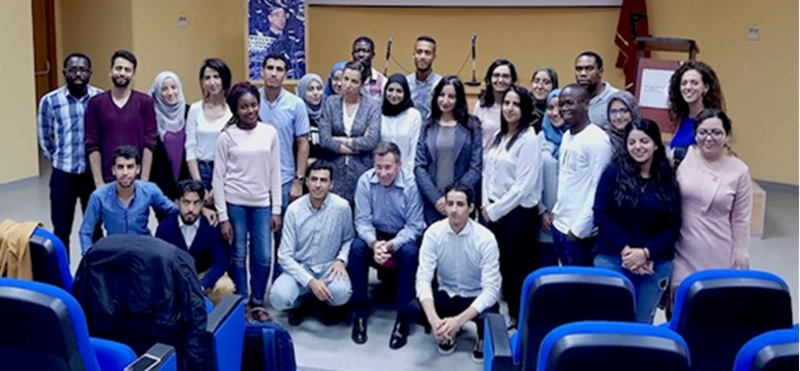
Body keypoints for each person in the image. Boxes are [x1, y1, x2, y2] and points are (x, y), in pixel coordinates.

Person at [593, 119, 681, 324]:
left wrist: (645, 253)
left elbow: (673, 227)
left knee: (641, 326)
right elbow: (601, 215)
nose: (638, 147)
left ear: (656, 144)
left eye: (644, 141)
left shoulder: (668, 180)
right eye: (632, 142)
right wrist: (627, 252)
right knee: (610, 322)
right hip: (613, 258)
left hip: (654, 263)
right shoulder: (612, 173)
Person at [404, 184, 501, 362]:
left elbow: (491, 290)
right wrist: (434, 321)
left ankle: (478, 336)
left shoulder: (486, 238)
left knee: (490, 319)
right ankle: (444, 330)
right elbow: (423, 279)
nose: (454, 210)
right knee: (414, 309)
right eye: (450, 204)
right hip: (447, 294)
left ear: (471, 208)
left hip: (475, 295)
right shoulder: (433, 233)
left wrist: (458, 321)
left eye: (460, 204)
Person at [213, 82, 282, 321]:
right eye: (244, 107)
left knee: (263, 255)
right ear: (235, 109)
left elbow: (275, 172)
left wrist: (276, 209)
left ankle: (258, 301)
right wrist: (223, 217)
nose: (250, 110)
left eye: (254, 105)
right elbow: (218, 178)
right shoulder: (226, 137)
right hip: (235, 203)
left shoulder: (269, 133)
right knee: (238, 253)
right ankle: (242, 301)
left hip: (262, 203)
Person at [349, 142, 426, 348]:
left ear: (399, 165)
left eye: (388, 167)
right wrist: (375, 244)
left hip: (401, 236)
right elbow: (362, 221)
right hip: (375, 234)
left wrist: (390, 245)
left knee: (410, 254)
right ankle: (360, 312)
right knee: (356, 248)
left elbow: (415, 226)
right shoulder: (365, 181)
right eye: (379, 167)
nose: (382, 173)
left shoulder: (410, 184)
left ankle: (403, 317)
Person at [481, 86, 543, 328]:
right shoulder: (500, 136)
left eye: (516, 104)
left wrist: (495, 211)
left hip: (517, 216)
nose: (509, 108)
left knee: (517, 271)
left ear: (525, 108)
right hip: (493, 211)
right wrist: (486, 204)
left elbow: (523, 186)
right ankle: (499, 318)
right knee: (500, 269)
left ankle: (519, 321)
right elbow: (488, 172)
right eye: (506, 102)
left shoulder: (528, 138)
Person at [672, 109, 751, 292]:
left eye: (716, 133)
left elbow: (741, 218)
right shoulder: (679, 158)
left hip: (719, 251)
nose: (709, 138)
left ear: (726, 136)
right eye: (703, 132)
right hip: (681, 249)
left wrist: (741, 252)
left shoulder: (739, 170)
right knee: (680, 307)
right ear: (695, 133)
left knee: (712, 308)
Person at [79, 145, 212, 254]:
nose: (125, 173)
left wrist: (201, 209)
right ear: (113, 170)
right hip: (113, 251)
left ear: (138, 169)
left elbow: (174, 210)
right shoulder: (99, 196)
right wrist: (89, 257)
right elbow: (85, 231)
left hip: (143, 251)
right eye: (120, 167)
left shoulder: (150, 191)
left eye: (130, 167)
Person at [269, 162, 354, 321]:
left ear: (331, 184)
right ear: (306, 182)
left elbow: (349, 239)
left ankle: (326, 302)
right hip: (300, 266)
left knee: (342, 293)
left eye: (323, 180)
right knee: (278, 298)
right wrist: (310, 281)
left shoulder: (342, 207)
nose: (318, 185)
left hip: (328, 266)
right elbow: (284, 256)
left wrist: (341, 260)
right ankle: (299, 302)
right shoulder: (294, 210)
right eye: (314, 179)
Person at [37, 53, 103, 254]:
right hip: (62, 175)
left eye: (83, 70)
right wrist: (58, 159)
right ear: (64, 72)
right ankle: (62, 278)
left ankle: (95, 274)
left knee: (95, 229)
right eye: (73, 69)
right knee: (61, 229)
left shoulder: (100, 98)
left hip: (92, 175)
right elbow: (44, 137)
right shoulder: (50, 101)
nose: (78, 74)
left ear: (90, 73)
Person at [551, 84, 613, 266]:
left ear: (585, 104)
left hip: (580, 234)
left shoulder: (596, 139)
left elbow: (600, 189)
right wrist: (556, 211)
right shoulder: (566, 136)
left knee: (579, 290)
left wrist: (579, 230)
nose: (564, 109)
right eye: (561, 104)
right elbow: (566, 180)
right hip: (560, 226)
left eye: (570, 103)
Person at [414, 76, 483, 225]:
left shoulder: (472, 126)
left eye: (451, 96)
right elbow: (419, 166)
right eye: (442, 95)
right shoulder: (427, 126)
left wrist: (452, 199)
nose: (445, 100)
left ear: (459, 99)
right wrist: (437, 199)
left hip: (460, 204)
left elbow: (475, 168)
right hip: (433, 203)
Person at [155, 180, 234, 305]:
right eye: (186, 202)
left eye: (196, 203)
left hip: (204, 276)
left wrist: (204, 284)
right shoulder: (165, 228)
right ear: (177, 203)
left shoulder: (211, 226)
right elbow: (160, 263)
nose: (191, 209)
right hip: (177, 278)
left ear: (202, 204)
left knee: (226, 286)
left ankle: (216, 321)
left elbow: (221, 261)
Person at [85, 50, 157, 187]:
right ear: (110, 71)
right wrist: (98, 181)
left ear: (133, 75)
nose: (122, 73)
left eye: (127, 70)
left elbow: (150, 143)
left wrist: (144, 180)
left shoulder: (145, 102)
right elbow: (92, 143)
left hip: (136, 178)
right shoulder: (96, 103)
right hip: (106, 179)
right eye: (118, 68)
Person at [318, 60, 381, 205]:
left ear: (362, 84)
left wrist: (341, 140)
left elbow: (371, 141)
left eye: (354, 81)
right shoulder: (330, 103)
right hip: (334, 171)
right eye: (345, 79)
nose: (348, 85)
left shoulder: (373, 106)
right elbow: (325, 139)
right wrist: (357, 144)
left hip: (361, 171)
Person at [258, 52, 310, 214]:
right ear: (262, 72)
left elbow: (303, 144)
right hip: (256, 178)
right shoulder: (251, 100)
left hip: (285, 179)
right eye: (270, 68)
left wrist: (298, 181)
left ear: (286, 75)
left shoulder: (296, 104)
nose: (274, 73)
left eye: (279, 69)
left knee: (285, 233)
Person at [185, 58, 233, 198]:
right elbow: (190, 147)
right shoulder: (195, 109)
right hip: (200, 171)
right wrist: (198, 184)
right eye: (207, 78)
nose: (212, 82)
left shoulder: (233, 110)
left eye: (216, 77)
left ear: (224, 78)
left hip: (226, 171)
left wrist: (220, 183)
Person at [667, 61, 725, 162]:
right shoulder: (682, 119)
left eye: (694, 83)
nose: (688, 87)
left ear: (706, 88)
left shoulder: (713, 122)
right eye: (684, 83)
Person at [149, 71, 189, 201]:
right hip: (160, 185)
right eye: (164, 89)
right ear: (157, 92)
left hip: (186, 184)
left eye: (174, 87)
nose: (170, 93)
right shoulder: (151, 116)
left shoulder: (189, 113)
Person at [537, 89, 566, 268]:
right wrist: (542, 211)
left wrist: (560, 211)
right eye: (550, 107)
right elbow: (531, 179)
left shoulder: (577, 138)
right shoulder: (539, 139)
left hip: (567, 217)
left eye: (560, 107)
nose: (555, 113)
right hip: (543, 219)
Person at [381, 74, 422, 177]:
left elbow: (414, 149)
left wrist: (407, 176)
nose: (394, 95)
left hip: (406, 175)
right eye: (390, 90)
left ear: (406, 93)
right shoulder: (378, 114)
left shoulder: (413, 115)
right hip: (381, 174)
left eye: (399, 91)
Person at [474, 59, 517, 157]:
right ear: (489, 79)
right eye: (496, 75)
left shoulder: (517, 107)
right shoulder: (481, 106)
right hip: (484, 164)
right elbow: (476, 140)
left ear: (512, 80)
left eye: (505, 76)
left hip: (508, 164)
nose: (500, 80)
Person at [574, 51, 619, 129]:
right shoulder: (572, 98)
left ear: (600, 72)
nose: (583, 74)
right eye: (579, 69)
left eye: (589, 69)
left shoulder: (616, 98)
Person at [406, 36, 442, 120]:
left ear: (434, 57)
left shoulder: (441, 85)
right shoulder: (405, 84)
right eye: (419, 52)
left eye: (427, 53)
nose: (422, 57)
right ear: (414, 55)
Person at [296, 73, 325, 163]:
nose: (316, 93)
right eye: (310, 89)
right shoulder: (298, 115)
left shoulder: (328, 113)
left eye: (319, 88)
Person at [352, 36, 387, 101]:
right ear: (352, 54)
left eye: (365, 51)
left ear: (372, 54)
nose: (361, 55)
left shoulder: (382, 82)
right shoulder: (345, 79)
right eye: (357, 51)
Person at [530, 67, 559, 131]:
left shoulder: (559, 110)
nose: (540, 87)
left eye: (546, 82)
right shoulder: (523, 108)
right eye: (536, 81)